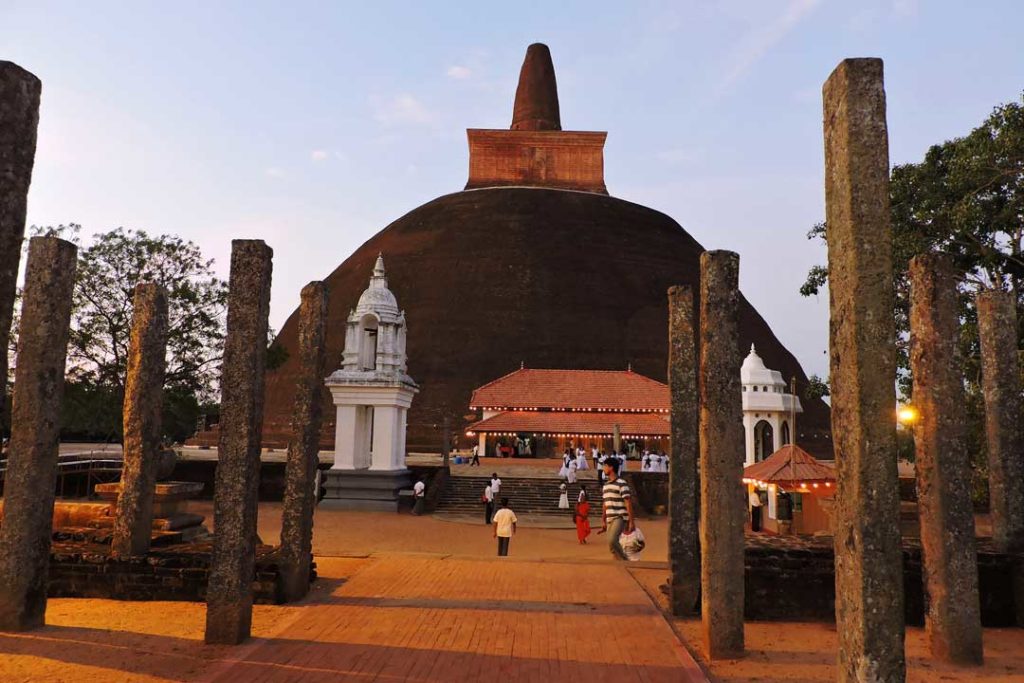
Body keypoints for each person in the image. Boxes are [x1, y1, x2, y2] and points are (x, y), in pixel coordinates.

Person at [600, 459, 634, 561]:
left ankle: (626, 561)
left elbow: (627, 502)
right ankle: (619, 565)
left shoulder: (621, 483)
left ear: (611, 468)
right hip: (610, 517)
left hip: (620, 516)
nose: (603, 468)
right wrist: (603, 520)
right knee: (612, 547)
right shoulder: (606, 485)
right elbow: (605, 504)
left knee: (612, 540)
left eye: (605, 466)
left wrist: (631, 521)